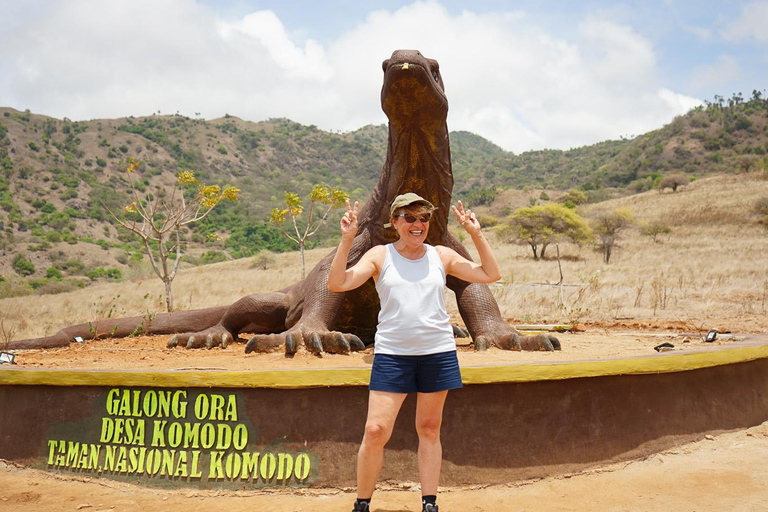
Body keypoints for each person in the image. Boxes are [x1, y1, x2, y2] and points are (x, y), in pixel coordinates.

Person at [328, 192, 502, 512]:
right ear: (395, 222)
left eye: (423, 218)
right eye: (409, 217)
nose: (417, 224)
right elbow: (338, 283)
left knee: (429, 428)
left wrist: (476, 233)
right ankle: (362, 504)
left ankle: (429, 503)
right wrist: (346, 240)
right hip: (393, 354)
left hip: (437, 352)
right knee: (376, 429)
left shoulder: (441, 255)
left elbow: (490, 274)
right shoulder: (381, 256)